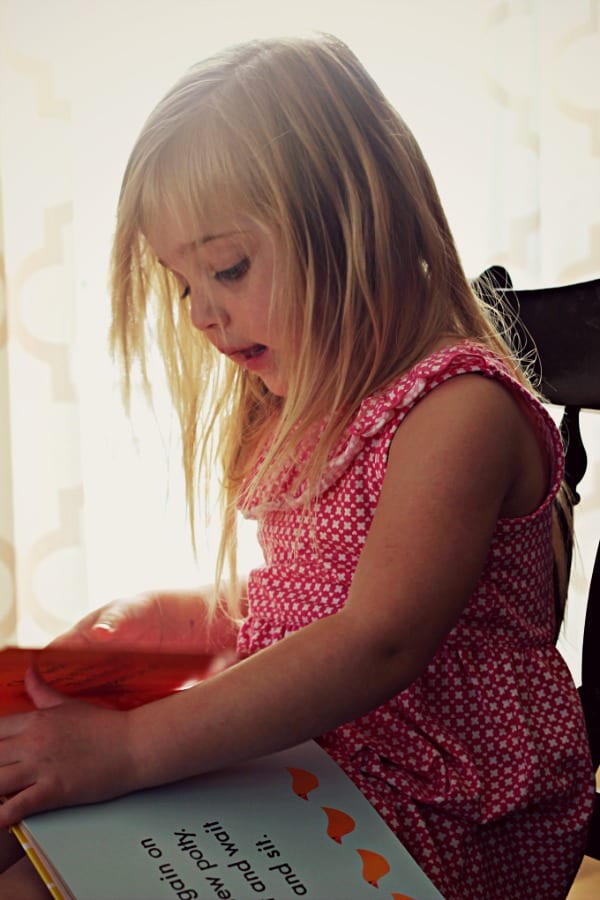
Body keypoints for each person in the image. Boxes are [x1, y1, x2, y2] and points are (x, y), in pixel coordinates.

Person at [0, 33, 594, 900]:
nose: (202, 313)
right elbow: (309, 594)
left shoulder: (456, 410)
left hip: (440, 802)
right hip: (327, 754)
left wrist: (128, 749)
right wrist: (181, 617)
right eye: (181, 283)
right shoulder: (312, 401)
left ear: (360, 223)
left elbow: (373, 639)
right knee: (26, 830)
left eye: (228, 268)